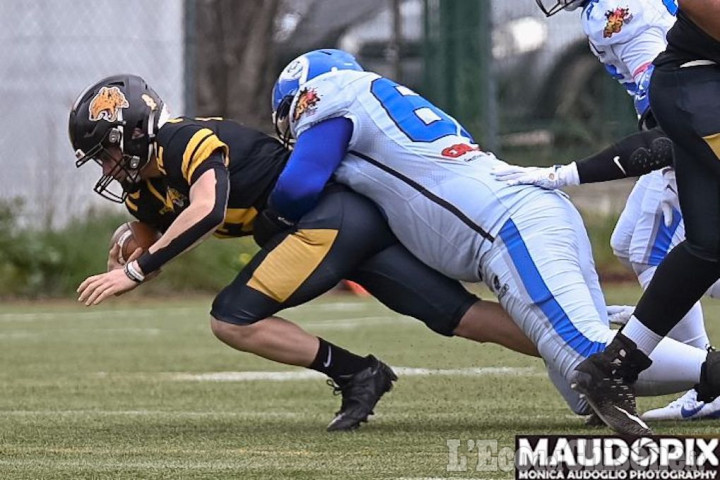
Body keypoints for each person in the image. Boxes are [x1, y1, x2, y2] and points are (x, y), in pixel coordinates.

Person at [264, 48, 720, 435]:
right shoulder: (376, 105)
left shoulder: (332, 94)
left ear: (301, 96)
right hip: (521, 218)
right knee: (583, 396)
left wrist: (268, 209)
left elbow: (298, 186)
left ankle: (712, 373)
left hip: (509, 226)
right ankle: (641, 341)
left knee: (592, 361)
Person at [68, 74, 542, 432]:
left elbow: (208, 209)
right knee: (459, 316)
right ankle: (592, 362)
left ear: (132, 133)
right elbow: (159, 238)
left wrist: (136, 268)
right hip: (329, 227)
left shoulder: (184, 140)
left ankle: (359, 374)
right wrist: (134, 249)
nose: (106, 167)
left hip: (327, 220)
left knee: (231, 319)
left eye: (105, 153)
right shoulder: (142, 192)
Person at [495, 0, 720, 422]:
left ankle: (681, 371)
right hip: (686, 123)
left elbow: (667, 98)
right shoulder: (611, 11)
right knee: (656, 244)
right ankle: (699, 374)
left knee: (663, 248)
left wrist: (568, 174)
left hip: (683, 125)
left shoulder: (618, 12)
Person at [569, 0, 720, 435]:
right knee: (656, 245)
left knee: (707, 247)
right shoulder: (618, 11)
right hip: (699, 89)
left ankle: (615, 367)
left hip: (694, 90)